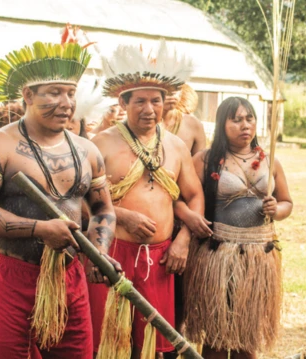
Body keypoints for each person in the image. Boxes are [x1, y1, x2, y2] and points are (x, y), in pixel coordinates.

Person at [0, 41, 119, 358]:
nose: (66, 102)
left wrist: (99, 249)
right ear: (28, 95)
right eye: (54, 93)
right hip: (12, 277)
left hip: (69, 278)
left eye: (70, 93)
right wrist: (39, 229)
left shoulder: (87, 151)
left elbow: (103, 210)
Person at [89, 41, 204, 359]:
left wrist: (182, 240)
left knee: (154, 343)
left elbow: (194, 196)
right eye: (140, 101)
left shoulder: (177, 146)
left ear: (166, 103)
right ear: (123, 101)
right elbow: (82, 201)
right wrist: (122, 217)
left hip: (161, 260)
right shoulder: (102, 144)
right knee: (109, 339)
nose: (149, 109)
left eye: (156, 101)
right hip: (111, 254)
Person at [183, 96, 293, 359]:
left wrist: (276, 210)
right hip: (218, 253)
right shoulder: (205, 159)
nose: (245, 125)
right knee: (217, 335)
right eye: (237, 119)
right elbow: (179, 198)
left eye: (249, 118)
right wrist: (189, 217)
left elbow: (287, 203)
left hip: (259, 255)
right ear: (222, 124)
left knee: (247, 336)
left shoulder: (270, 160)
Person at [163, 84, 206, 156]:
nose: (172, 92)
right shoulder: (141, 123)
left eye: (176, 87)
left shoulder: (193, 125)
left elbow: (200, 164)